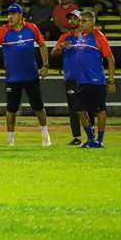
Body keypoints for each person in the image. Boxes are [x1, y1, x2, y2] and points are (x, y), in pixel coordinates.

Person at [0, 3, 52, 147]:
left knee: (38, 107)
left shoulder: (32, 28)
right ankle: (10, 139)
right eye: (8, 14)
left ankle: (45, 135)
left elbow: (42, 44)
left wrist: (45, 65)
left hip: (31, 76)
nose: (10, 17)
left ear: (21, 16)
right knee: (11, 109)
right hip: (12, 78)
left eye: (13, 14)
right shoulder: (4, 31)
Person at [70, 11, 116, 148]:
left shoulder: (99, 37)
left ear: (92, 22)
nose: (80, 23)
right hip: (82, 81)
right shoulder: (80, 36)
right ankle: (90, 138)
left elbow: (110, 58)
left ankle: (100, 140)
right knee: (79, 110)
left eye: (83, 21)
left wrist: (111, 81)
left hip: (95, 81)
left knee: (100, 111)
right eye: (80, 21)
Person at [50, 10, 84, 146]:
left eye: (74, 18)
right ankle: (77, 136)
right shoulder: (65, 37)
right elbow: (53, 53)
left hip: (85, 78)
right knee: (73, 108)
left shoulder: (87, 37)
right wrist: (60, 47)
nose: (71, 21)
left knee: (89, 108)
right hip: (70, 78)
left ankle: (92, 134)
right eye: (70, 19)